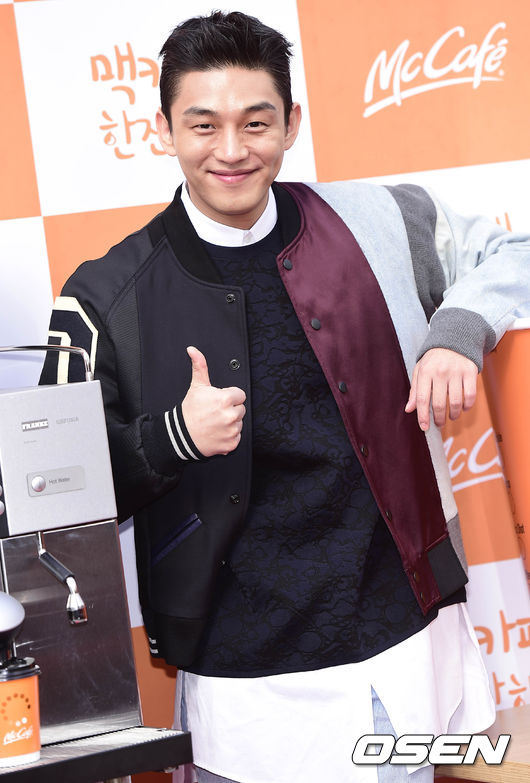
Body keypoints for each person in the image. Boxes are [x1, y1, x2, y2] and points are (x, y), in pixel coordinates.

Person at [40, 10, 530, 783]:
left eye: (256, 122)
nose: (232, 150)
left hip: (401, 645)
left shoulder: (379, 219)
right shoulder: (105, 295)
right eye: (204, 125)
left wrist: (458, 329)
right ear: (164, 129)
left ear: (292, 123)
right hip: (246, 683)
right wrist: (172, 436)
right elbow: (54, 501)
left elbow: (510, 250)